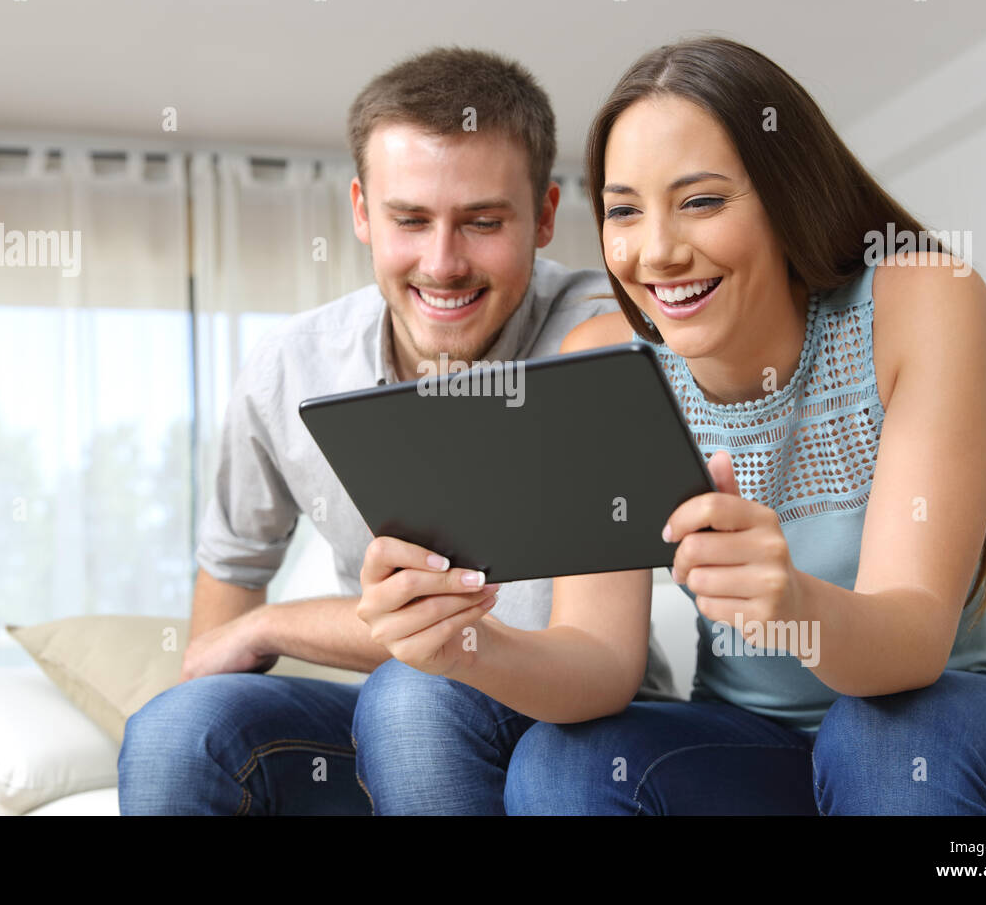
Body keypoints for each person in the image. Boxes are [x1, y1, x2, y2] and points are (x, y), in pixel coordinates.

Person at [352, 36, 986, 815]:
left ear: (787, 196)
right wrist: (465, 644)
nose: (657, 252)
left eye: (701, 201)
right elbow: (601, 664)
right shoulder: (605, 357)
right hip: (754, 740)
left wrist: (795, 608)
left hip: (960, 710)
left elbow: (913, 641)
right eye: (624, 212)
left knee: (875, 743)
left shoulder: (919, 300)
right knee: (564, 765)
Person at [116, 45, 677, 815]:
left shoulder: (601, 343)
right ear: (360, 211)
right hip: (398, 715)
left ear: (546, 216)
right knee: (176, 732)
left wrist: (280, 623)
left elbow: (500, 630)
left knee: (415, 693)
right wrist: (243, 639)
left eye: (482, 222)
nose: (442, 264)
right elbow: (224, 612)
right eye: (409, 220)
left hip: (572, 718)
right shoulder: (289, 368)